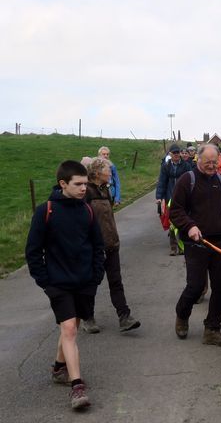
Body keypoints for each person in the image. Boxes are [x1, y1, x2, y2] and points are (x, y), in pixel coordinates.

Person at [25, 160, 105, 410]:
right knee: (69, 328)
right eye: (78, 184)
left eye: (85, 184)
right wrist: (45, 282)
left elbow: (97, 246)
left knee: (70, 327)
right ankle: (77, 387)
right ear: (63, 184)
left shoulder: (87, 210)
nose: (84, 188)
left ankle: (59, 367)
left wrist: (95, 277)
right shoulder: (45, 211)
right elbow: (33, 251)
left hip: (84, 282)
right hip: (57, 283)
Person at [170, 144, 221, 346]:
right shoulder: (188, 180)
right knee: (195, 287)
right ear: (198, 160)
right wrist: (190, 226)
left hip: (219, 242)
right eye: (208, 162)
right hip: (196, 243)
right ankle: (182, 315)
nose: (212, 166)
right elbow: (176, 210)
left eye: (215, 162)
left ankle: (212, 329)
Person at [80, 157, 140, 334]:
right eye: (108, 170)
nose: (110, 173)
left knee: (116, 282)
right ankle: (88, 318)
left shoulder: (106, 190)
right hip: (94, 249)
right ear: (98, 173)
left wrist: (114, 239)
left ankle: (124, 317)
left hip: (112, 244)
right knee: (91, 284)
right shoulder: (87, 193)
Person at [156, 143, 191, 255]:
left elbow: (191, 180)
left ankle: (182, 247)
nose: (176, 154)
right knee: (171, 222)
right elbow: (162, 182)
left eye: (178, 152)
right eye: (174, 153)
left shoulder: (186, 166)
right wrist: (159, 197)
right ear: (170, 154)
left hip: (183, 198)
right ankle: (173, 247)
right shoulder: (166, 166)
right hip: (170, 197)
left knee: (182, 221)